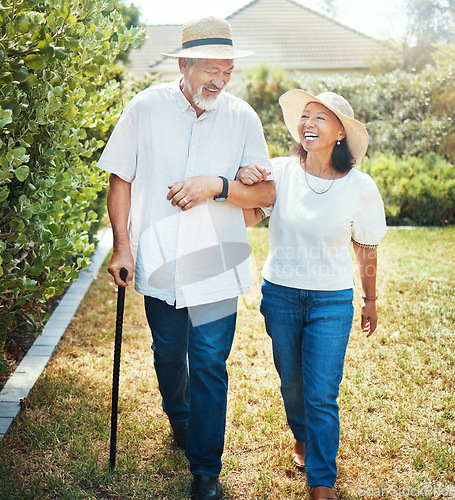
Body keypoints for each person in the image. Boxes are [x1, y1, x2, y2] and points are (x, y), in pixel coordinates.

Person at [97, 16, 275, 500]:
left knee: (211, 364)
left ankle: (206, 471)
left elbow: (266, 195)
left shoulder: (242, 118)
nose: (219, 79)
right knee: (168, 354)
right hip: (159, 263)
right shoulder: (145, 108)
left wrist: (218, 185)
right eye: (211, 69)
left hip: (217, 265)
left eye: (228, 70)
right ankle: (178, 416)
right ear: (185, 64)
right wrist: (122, 245)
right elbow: (120, 178)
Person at [238, 90, 387, 500]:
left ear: (340, 132)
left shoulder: (359, 186)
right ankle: (301, 435)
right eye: (305, 116)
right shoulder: (280, 171)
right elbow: (250, 214)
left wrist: (370, 299)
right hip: (281, 294)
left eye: (321, 118)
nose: (309, 123)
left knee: (322, 391)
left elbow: (367, 245)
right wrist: (240, 184)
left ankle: (322, 480)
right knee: (292, 384)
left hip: (331, 301)